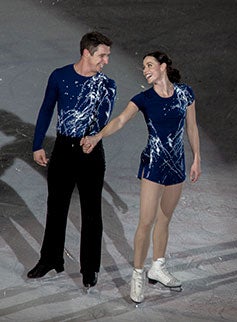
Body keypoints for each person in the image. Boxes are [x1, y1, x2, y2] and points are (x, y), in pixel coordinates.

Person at [81, 51, 201, 303]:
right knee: (145, 222)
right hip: (154, 165)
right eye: (143, 67)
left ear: (163, 66)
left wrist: (197, 158)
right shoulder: (144, 99)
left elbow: (191, 126)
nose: (145, 70)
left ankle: (158, 266)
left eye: (149, 65)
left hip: (177, 166)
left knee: (164, 219)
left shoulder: (185, 93)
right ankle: (137, 274)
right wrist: (96, 136)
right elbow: (121, 120)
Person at [28, 31, 116, 288]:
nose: (106, 61)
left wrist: (94, 138)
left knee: (91, 213)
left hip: (91, 152)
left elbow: (103, 120)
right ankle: (50, 259)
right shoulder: (59, 76)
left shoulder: (107, 85)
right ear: (86, 53)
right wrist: (37, 145)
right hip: (63, 150)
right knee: (56, 207)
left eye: (107, 56)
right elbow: (46, 109)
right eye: (102, 55)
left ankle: (90, 269)